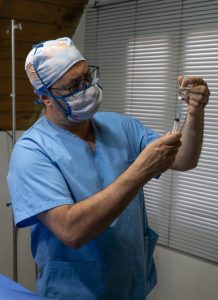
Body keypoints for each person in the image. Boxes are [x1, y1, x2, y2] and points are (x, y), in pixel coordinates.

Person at [7, 37, 210, 300]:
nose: (88, 88)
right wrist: (141, 170)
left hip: (130, 286)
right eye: (74, 85)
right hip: (75, 292)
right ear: (46, 97)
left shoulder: (121, 127)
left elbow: (184, 159)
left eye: (87, 77)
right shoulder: (31, 152)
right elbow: (71, 230)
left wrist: (195, 112)